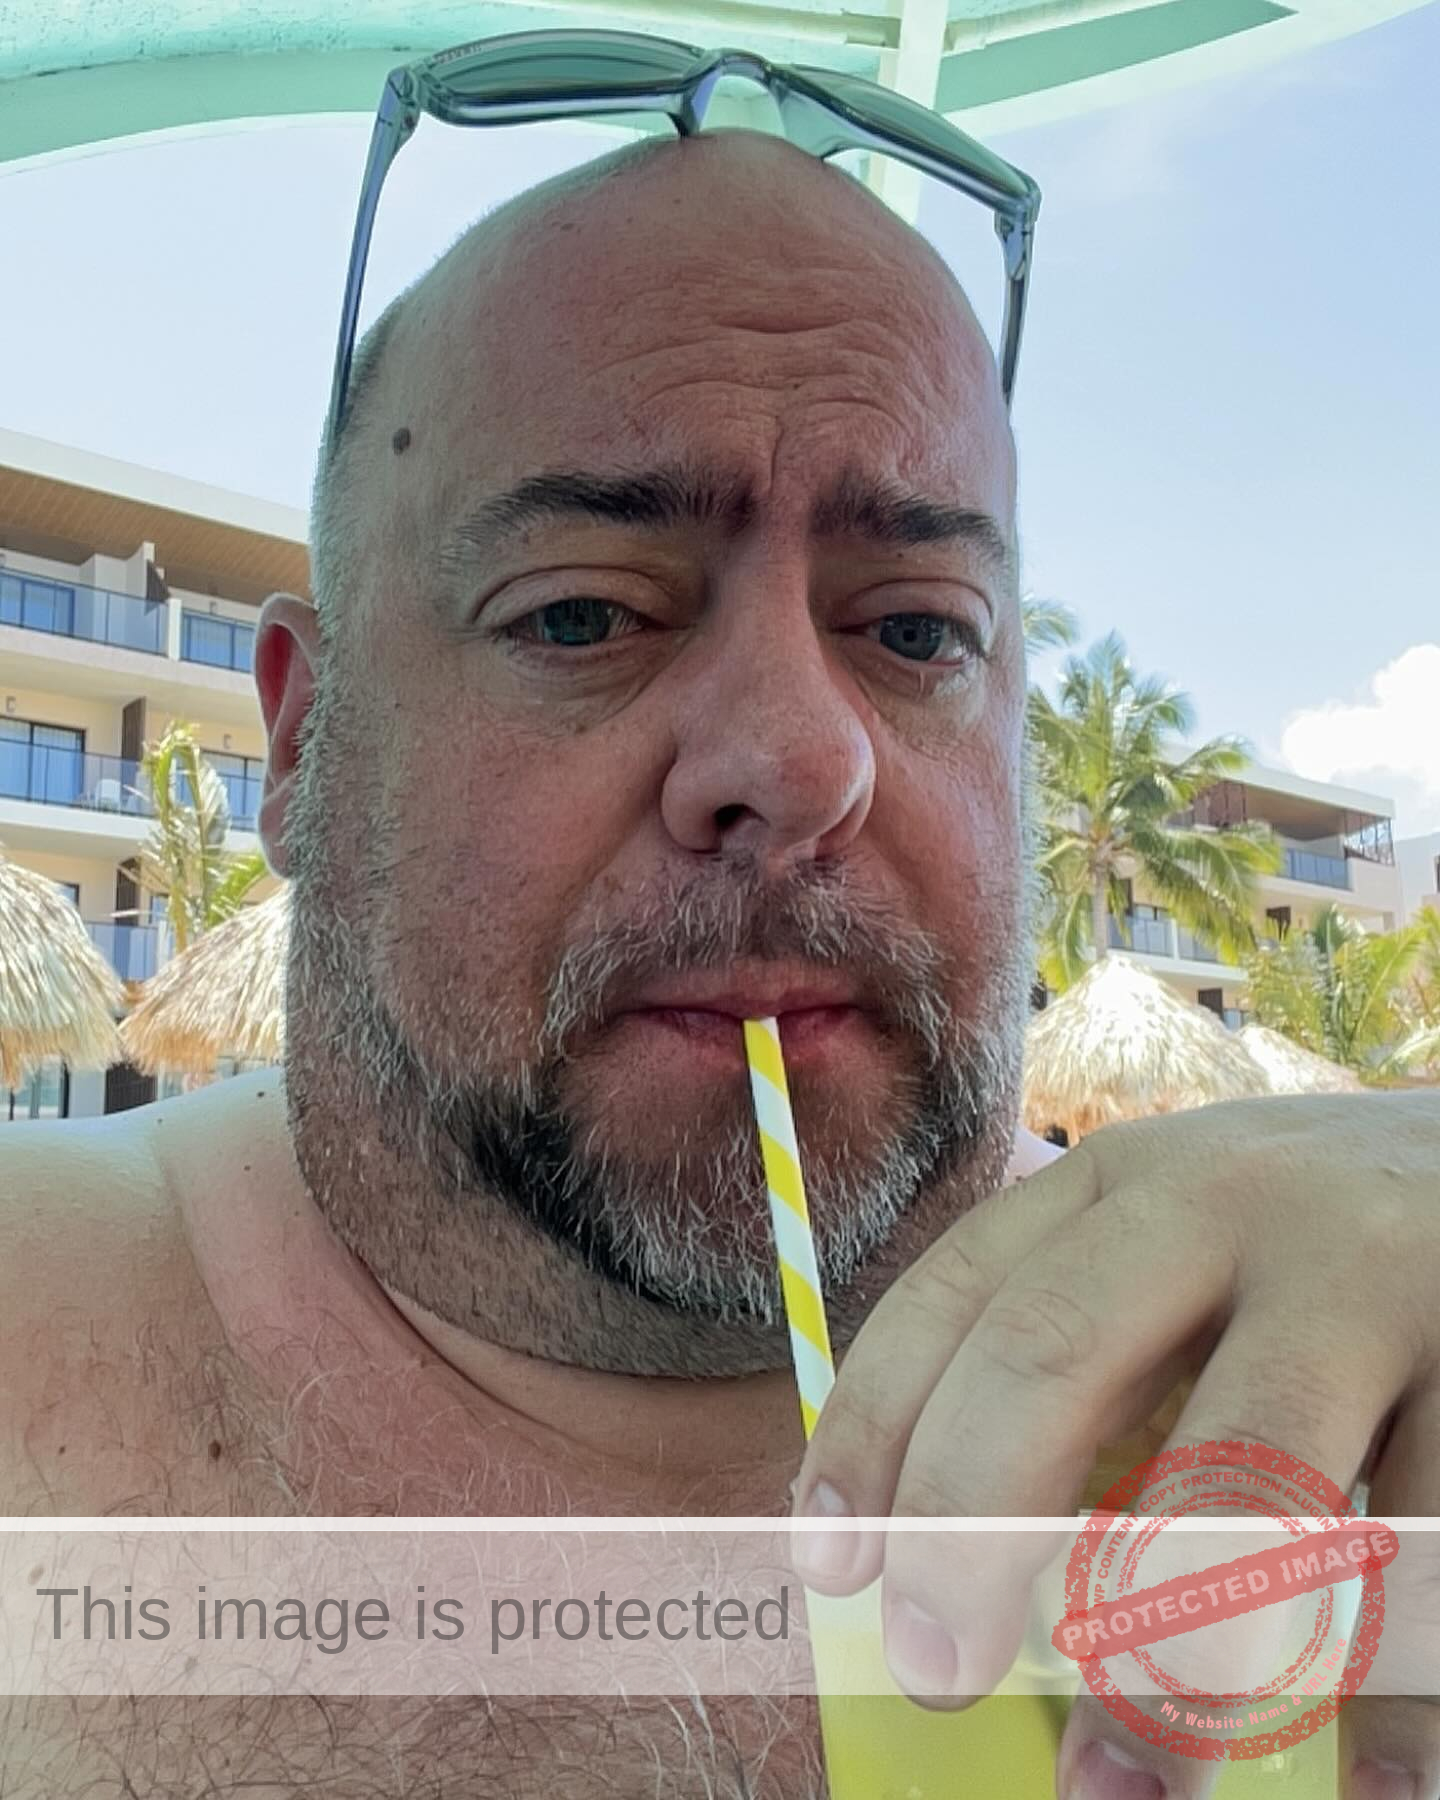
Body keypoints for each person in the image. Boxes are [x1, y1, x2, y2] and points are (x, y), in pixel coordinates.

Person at [2, 127, 1436, 1800]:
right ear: (304, 743)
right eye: (580, 613)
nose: (798, 762)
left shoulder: (1344, 1401)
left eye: (918, 630)